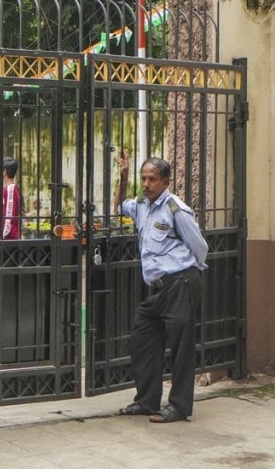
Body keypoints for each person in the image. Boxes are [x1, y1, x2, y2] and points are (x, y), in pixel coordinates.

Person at [113, 153, 208, 423]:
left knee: (181, 348)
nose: (146, 184)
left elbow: (199, 246)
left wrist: (189, 273)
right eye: (143, 178)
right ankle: (146, 401)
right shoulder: (142, 205)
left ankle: (178, 406)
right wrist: (123, 177)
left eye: (152, 179)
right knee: (142, 339)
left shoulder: (176, 208)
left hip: (180, 283)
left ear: (165, 181)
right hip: (157, 289)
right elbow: (118, 207)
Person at [0, 157, 21, 240]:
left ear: (4, 172)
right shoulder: (10, 188)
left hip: (10, 236)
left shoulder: (10, 189)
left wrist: (3, 235)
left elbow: (9, 215)